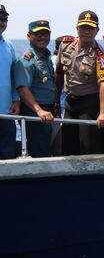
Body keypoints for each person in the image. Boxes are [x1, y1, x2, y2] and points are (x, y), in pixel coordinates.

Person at [55, 11, 104, 155]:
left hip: (90, 104)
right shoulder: (66, 45)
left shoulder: (101, 54)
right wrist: (55, 101)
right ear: (77, 28)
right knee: (67, 144)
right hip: (70, 102)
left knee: (88, 145)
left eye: (91, 28)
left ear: (97, 30)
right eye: (83, 27)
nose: (87, 32)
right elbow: (59, 72)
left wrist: (103, 113)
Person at [13, 20, 58, 157]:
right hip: (35, 112)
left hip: (48, 111)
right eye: (38, 34)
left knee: (48, 148)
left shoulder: (46, 57)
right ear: (29, 36)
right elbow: (22, 89)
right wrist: (39, 110)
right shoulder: (26, 60)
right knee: (40, 152)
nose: (42, 37)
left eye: (45, 34)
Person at [0, 5, 20, 159]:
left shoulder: (9, 45)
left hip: (6, 113)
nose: (1, 22)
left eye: (4, 18)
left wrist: (16, 100)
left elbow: (14, 76)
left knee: (8, 159)